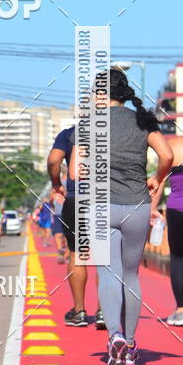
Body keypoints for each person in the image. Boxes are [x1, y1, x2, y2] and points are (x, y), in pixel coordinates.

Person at [70, 69, 172, 365]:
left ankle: (113, 335)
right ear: (124, 92)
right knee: (131, 275)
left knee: (109, 273)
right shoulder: (143, 120)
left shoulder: (88, 124)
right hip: (137, 205)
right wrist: (156, 178)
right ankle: (128, 343)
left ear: (100, 95)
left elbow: (76, 172)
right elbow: (166, 155)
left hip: (100, 207)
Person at [48, 125, 103, 328]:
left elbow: (54, 160)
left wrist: (56, 183)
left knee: (76, 253)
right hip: (106, 198)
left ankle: (79, 312)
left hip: (76, 198)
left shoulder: (69, 133)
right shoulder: (114, 130)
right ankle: (103, 312)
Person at [150, 133, 183, 326]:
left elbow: (160, 180)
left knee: (179, 258)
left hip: (177, 210)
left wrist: (152, 208)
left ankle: (180, 310)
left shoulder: (172, 145)